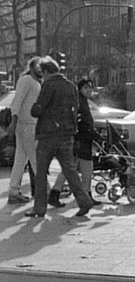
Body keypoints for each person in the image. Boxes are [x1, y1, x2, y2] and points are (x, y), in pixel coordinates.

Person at [25, 57, 95, 218]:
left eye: (43, 74)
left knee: (41, 173)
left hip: (48, 135)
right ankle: (84, 200)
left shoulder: (48, 85)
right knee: (70, 171)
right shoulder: (71, 86)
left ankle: (39, 208)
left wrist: (34, 108)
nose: (43, 77)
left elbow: (38, 109)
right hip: (67, 135)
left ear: (46, 71)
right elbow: (75, 110)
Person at [51, 78, 102, 207]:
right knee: (87, 169)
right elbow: (82, 123)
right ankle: (86, 195)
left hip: (78, 139)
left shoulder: (81, 101)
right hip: (81, 140)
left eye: (91, 87)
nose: (89, 90)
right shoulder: (80, 102)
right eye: (86, 88)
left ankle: (55, 193)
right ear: (80, 89)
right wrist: (94, 134)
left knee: (69, 168)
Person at [6, 56, 42, 205]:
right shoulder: (26, 81)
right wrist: (13, 121)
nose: (41, 69)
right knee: (35, 158)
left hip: (27, 124)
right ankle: (44, 190)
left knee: (21, 159)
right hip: (27, 124)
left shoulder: (35, 82)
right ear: (32, 67)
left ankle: (14, 190)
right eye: (39, 66)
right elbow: (17, 101)